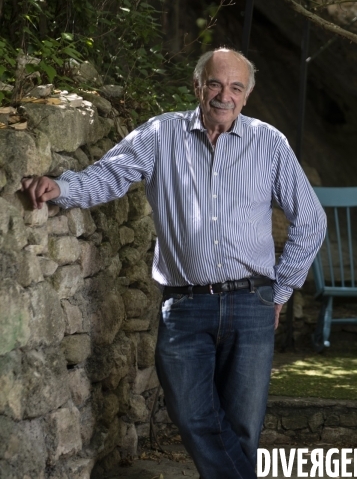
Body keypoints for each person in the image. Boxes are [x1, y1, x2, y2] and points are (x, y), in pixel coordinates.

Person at [22, 48, 327, 479]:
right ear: (199, 85)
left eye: (236, 87)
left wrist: (280, 291)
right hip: (185, 305)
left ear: (248, 95)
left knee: (242, 427)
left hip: (250, 302)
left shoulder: (269, 143)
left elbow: (311, 219)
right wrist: (61, 187)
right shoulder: (161, 134)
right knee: (191, 415)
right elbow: (110, 174)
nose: (225, 95)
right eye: (216, 84)